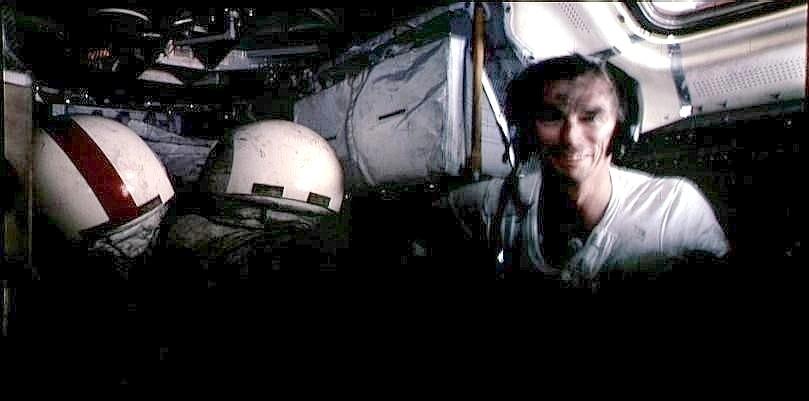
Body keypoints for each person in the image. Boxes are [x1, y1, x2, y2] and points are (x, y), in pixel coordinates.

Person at [443, 54, 729, 286]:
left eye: (591, 117)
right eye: (552, 117)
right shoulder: (494, 205)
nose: (571, 138)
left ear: (621, 128)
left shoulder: (673, 209)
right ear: (528, 133)